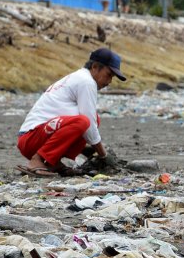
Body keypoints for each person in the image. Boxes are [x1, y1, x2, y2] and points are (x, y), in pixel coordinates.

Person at [17, 48, 125, 176]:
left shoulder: (80, 77)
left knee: (93, 119)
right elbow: (88, 122)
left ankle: (52, 162)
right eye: (108, 75)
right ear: (95, 67)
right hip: (30, 138)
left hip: (34, 138)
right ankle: (37, 160)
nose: (109, 82)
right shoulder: (86, 82)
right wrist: (103, 155)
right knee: (84, 121)